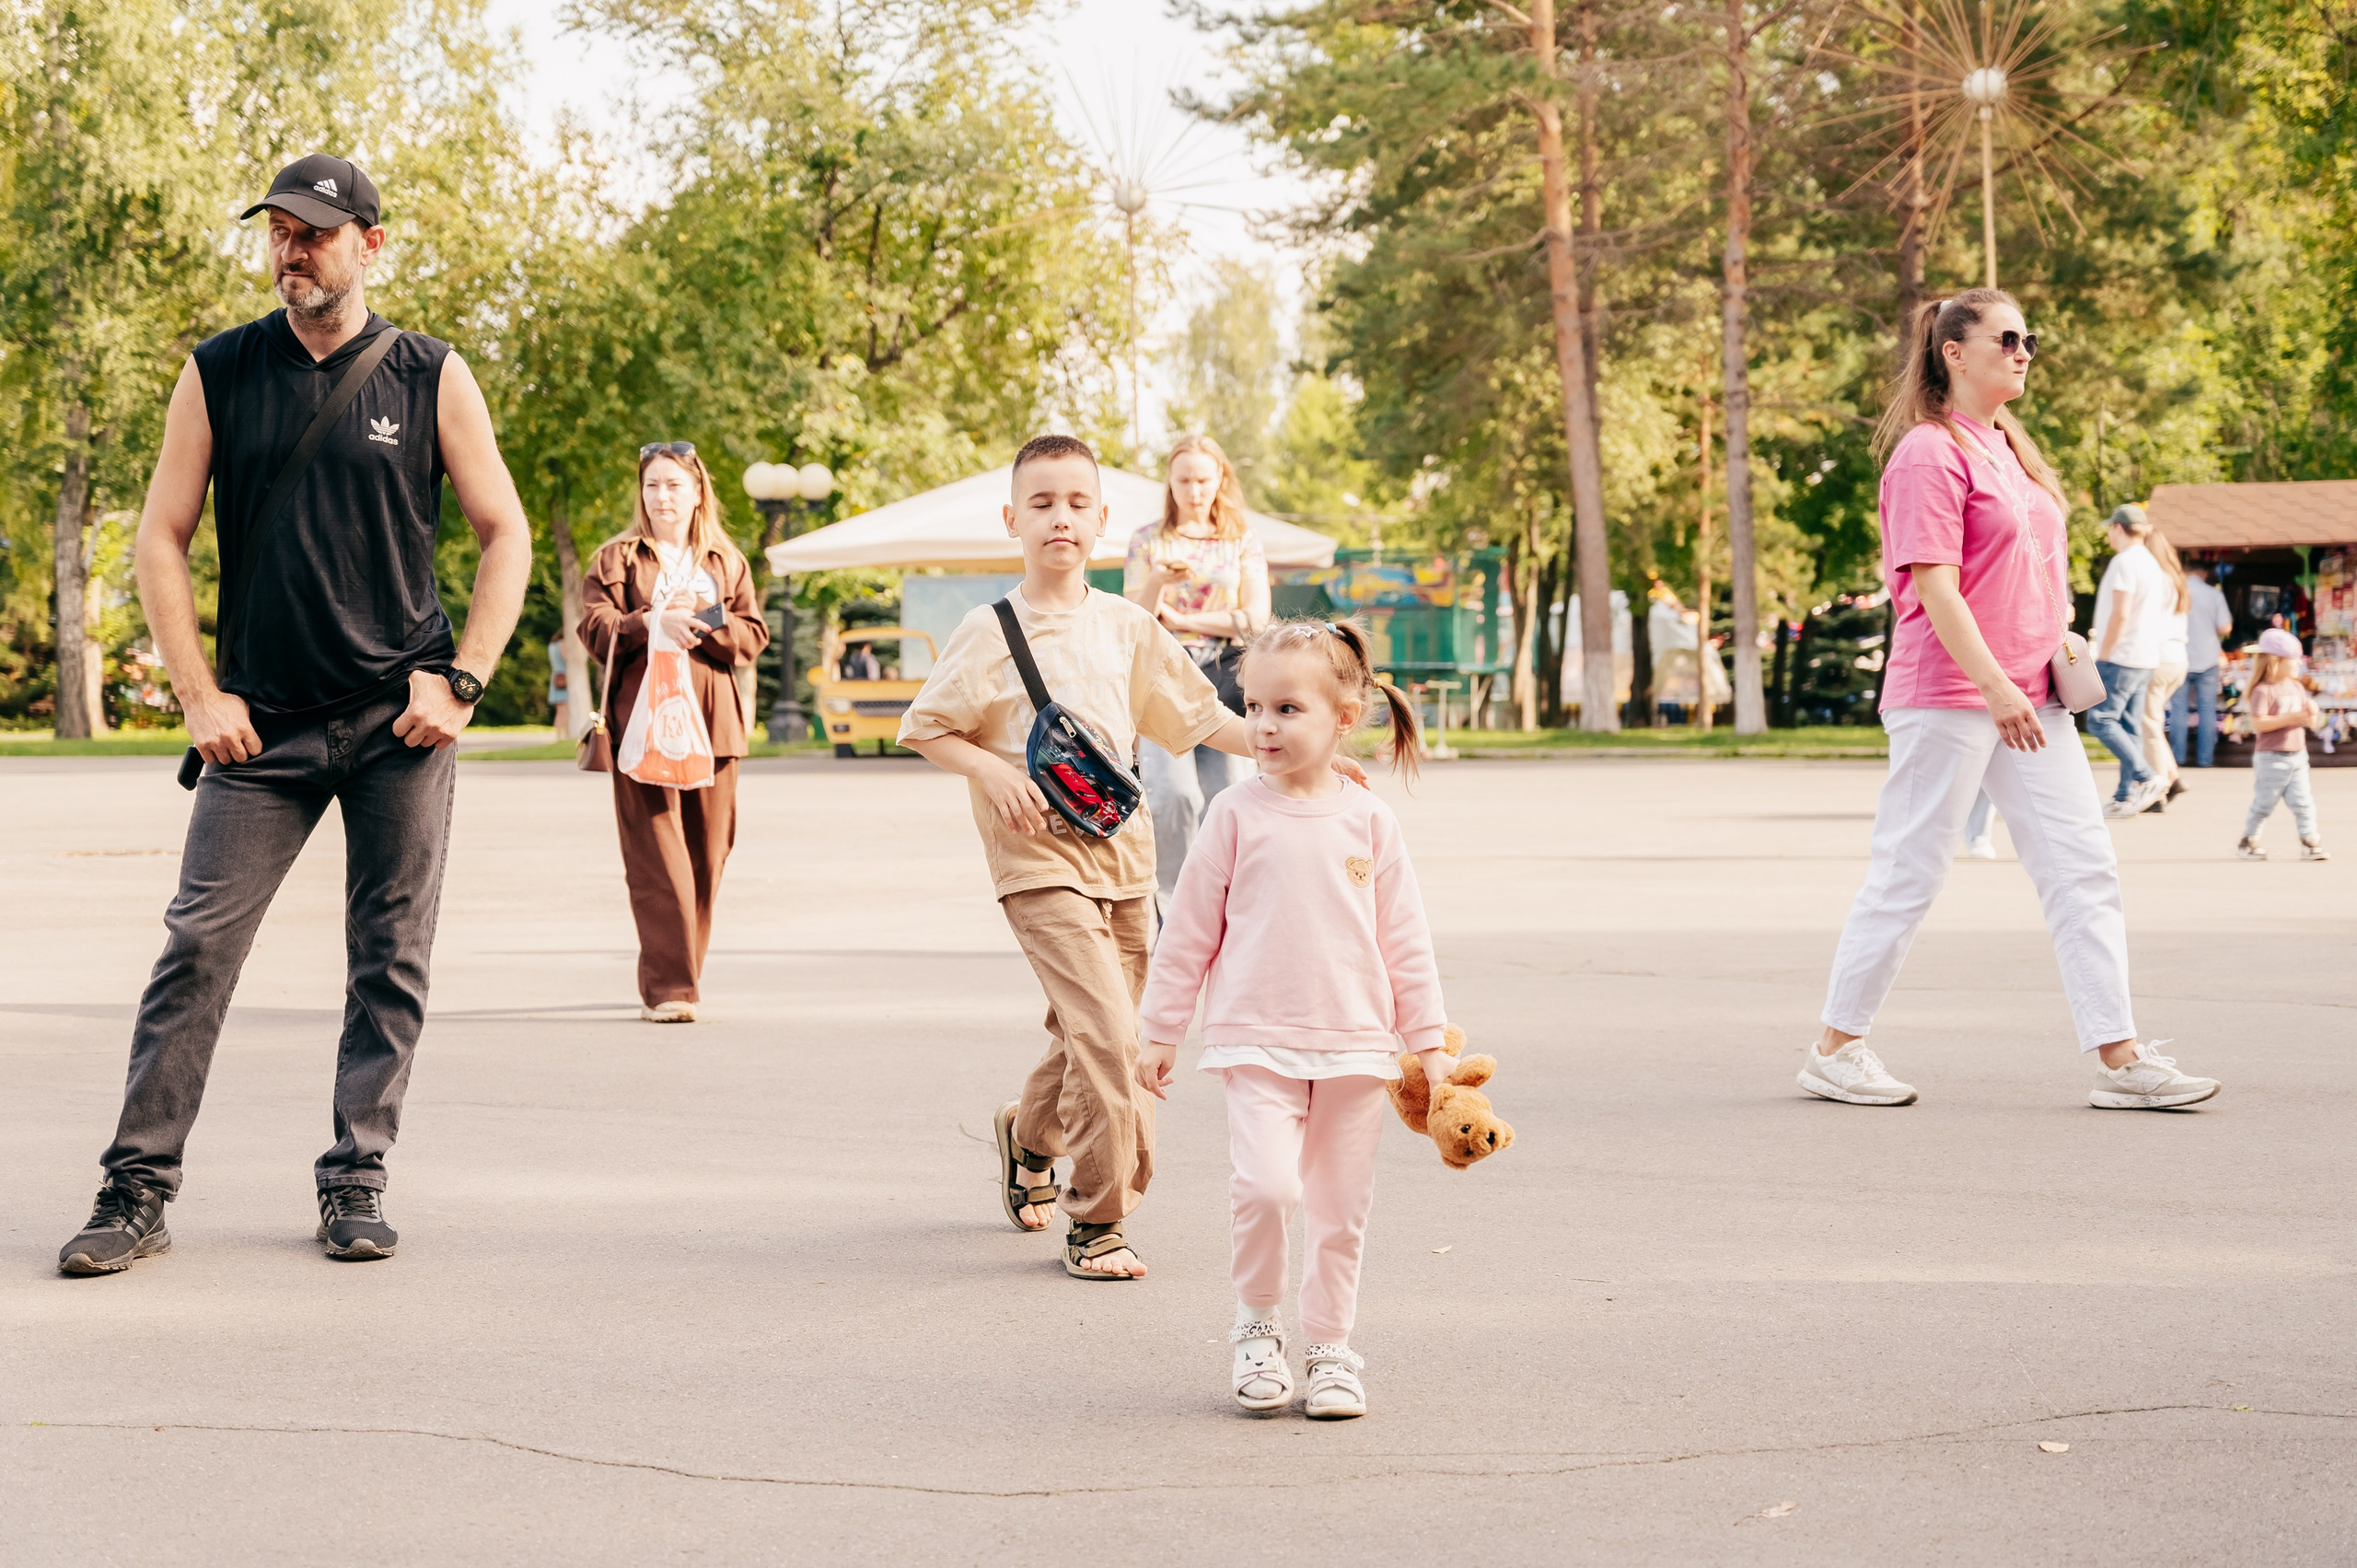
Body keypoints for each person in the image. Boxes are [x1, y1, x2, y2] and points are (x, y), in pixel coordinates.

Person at [57, 154, 532, 1275]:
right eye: (277, 230)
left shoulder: (428, 374)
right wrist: (198, 695)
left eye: (313, 232)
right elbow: (158, 536)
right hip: (256, 731)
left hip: (395, 723)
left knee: (389, 957)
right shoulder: (220, 370)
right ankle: (136, 1186)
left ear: (370, 243)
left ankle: (356, 1176)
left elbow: (501, 530)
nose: (290, 250)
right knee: (196, 949)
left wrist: (460, 679)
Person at [898, 435, 1361, 1282]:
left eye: (1077, 503)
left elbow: (1202, 718)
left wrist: (1301, 748)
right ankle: (1098, 1218)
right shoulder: (987, 629)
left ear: (1106, 522)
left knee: (1084, 1031)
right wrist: (994, 770)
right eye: (1040, 504)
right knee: (1116, 1037)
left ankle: (1028, 1134)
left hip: (1124, 857)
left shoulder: (1129, 625)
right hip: (1035, 860)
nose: (1060, 518)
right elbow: (926, 726)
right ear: (1012, 519)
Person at [1799, 288, 2221, 1112]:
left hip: (2034, 700)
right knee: (1910, 871)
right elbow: (1933, 585)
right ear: (1954, 351)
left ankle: (2121, 1055)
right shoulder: (1929, 451)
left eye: (2031, 338)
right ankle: (1835, 1049)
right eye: (2008, 338)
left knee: (2082, 868)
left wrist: (2059, 649)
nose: (2024, 351)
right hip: (1952, 694)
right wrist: (1995, 686)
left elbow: (2035, 578)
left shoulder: (2015, 452)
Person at [1135, 619, 1445, 1420]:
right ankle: (1257, 1323)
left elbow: (1405, 939)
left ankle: (1331, 1346)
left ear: (1344, 716)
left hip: (1355, 1045)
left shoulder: (1370, 821)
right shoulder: (1234, 813)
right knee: (1268, 1187)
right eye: (1253, 707)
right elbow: (1191, 927)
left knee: (1341, 1208)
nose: (1263, 726)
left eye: (1286, 709)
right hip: (1255, 1039)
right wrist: (1161, 1027)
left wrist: (1430, 1046)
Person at [578, 443, 770, 1024]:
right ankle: (670, 987)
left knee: (707, 858)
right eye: (652, 485)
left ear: (697, 493)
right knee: (656, 858)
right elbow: (594, 626)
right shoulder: (616, 560)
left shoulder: (725, 562)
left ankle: (682, 968)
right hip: (641, 726)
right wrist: (650, 622)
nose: (662, 496)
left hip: (715, 730)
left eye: (674, 486)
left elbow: (753, 634)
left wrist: (703, 619)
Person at [1123, 435, 1271, 906]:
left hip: (1226, 678)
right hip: (1166, 677)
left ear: (1220, 479)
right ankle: (1173, 905)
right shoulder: (1148, 540)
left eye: (1204, 479)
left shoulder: (1241, 541)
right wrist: (1158, 581)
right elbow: (1134, 618)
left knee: (1229, 793)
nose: (1194, 489)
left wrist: (1185, 620)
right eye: (1184, 478)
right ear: (1170, 480)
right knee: (1173, 797)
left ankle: (1226, 901)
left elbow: (1256, 619)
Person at [2085, 505, 2172, 818]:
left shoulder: (2124, 562)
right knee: (2128, 725)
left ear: (2118, 529)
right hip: (2146, 656)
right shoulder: (2152, 564)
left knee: (2100, 720)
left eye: (2110, 528)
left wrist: (2105, 651)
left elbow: (2120, 612)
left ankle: (2147, 777)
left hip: (2121, 655)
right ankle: (2124, 795)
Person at [2235, 628, 2329, 862]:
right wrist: (2292, 718)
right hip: (2271, 758)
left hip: (2298, 755)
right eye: (2294, 660)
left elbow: (2310, 722)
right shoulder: (2263, 690)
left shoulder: (2296, 687)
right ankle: (2248, 841)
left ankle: (2310, 841)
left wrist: (2312, 714)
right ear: (2276, 661)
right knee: (2263, 805)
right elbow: (2258, 722)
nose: (2299, 664)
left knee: (2304, 802)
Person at [2139, 526, 2191, 807]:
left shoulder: (2154, 579)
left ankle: (2157, 790)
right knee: (2154, 724)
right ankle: (2172, 776)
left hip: (2156, 658)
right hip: (2178, 657)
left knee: (2148, 725)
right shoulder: (2177, 579)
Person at [2170, 563, 2234, 768]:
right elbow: (2225, 627)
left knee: (2179, 709)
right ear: (2204, 573)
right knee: (2208, 710)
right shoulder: (2213, 594)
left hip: (2180, 655)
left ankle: (2177, 759)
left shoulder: (2174, 593)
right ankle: (2205, 759)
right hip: (2208, 658)